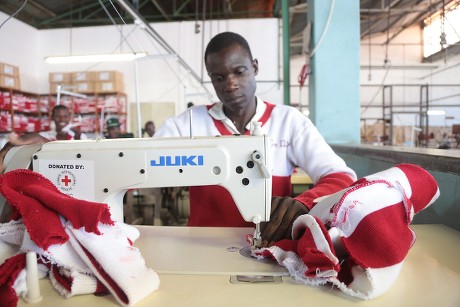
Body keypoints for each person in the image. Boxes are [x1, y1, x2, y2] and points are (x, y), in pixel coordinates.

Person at [154, 31, 357, 247]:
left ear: (255, 67)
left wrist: (304, 203)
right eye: (219, 78)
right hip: (201, 246)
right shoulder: (189, 124)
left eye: (239, 72)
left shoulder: (288, 122)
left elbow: (342, 178)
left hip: (270, 247)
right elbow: (138, 161)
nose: (230, 84)